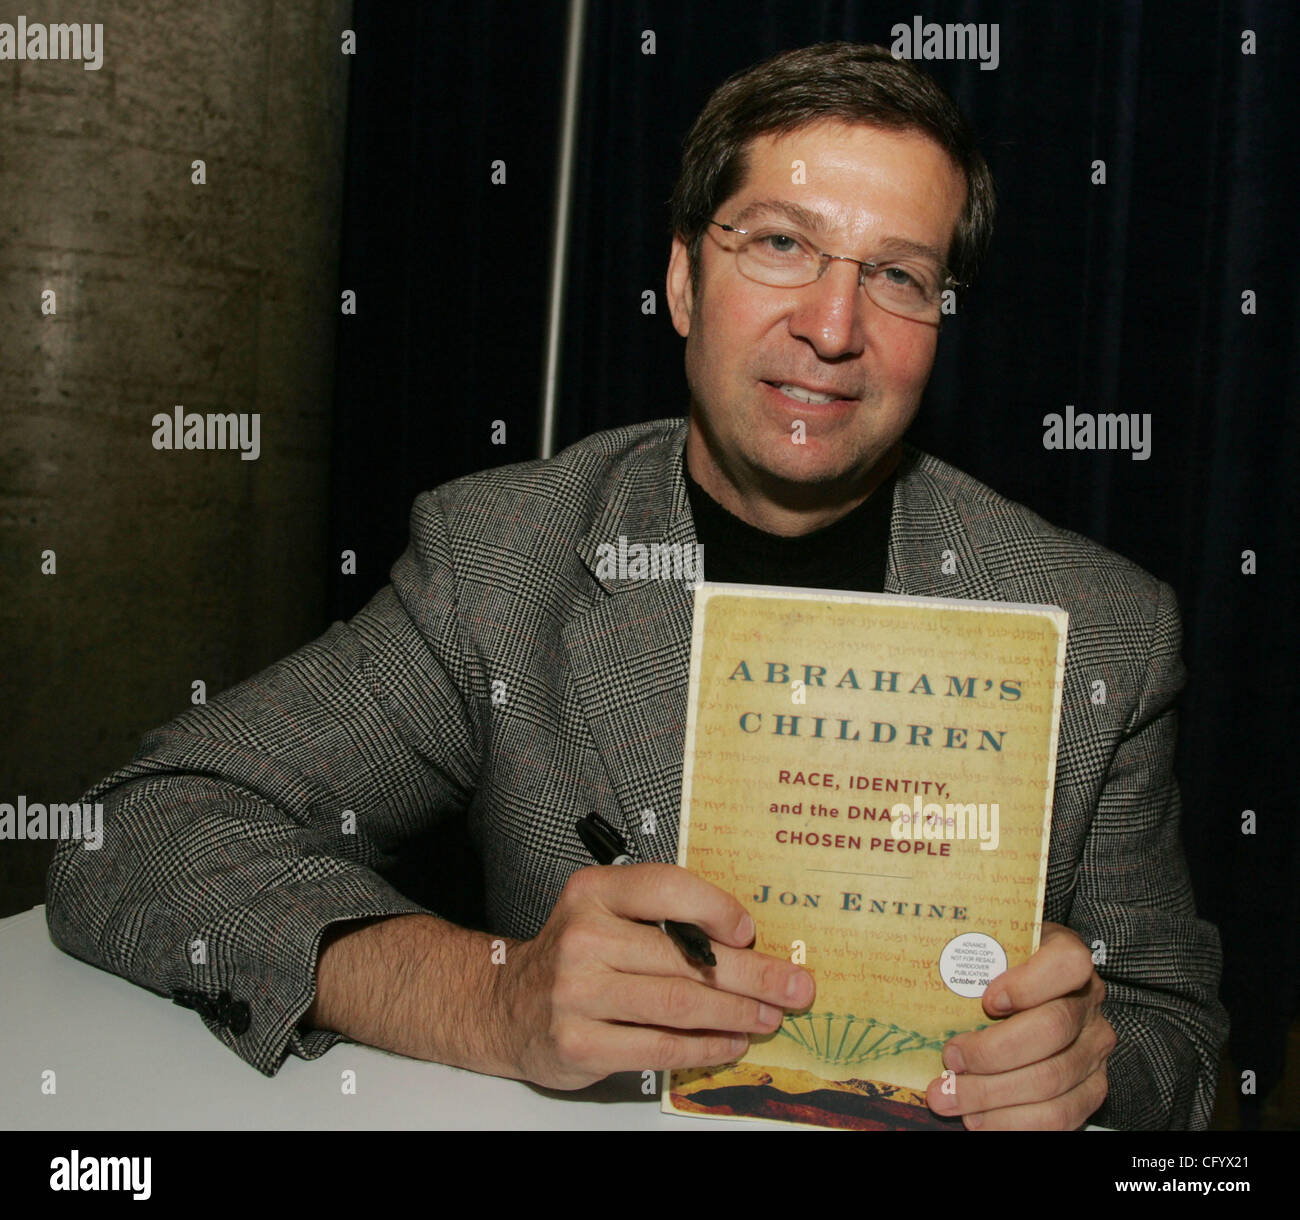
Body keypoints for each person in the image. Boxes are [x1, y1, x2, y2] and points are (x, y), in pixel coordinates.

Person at [46, 42, 1227, 1130]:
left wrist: (1094, 1066)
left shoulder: (1100, 629)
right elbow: (131, 832)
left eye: (899, 275)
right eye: (778, 244)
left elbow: (1177, 1032)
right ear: (679, 280)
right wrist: (488, 993)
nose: (832, 323)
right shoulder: (503, 560)